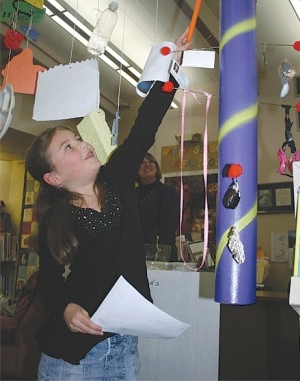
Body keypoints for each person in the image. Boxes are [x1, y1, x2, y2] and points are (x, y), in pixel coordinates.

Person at [25, 28, 192, 381]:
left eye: (78, 139)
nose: (82, 144)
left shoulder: (116, 176)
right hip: (70, 355)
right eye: (67, 147)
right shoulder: (58, 220)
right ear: (53, 178)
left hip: (122, 347)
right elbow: (49, 284)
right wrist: (66, 309)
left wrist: (170, 70)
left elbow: (145, 128)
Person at [136, 153, 180, 261]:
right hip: (137, 253)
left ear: (156, 167)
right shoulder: (132, 195)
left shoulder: (167, 192)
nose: (147, 165)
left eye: (150, 162)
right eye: (142, 163)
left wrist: (161, 254)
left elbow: (169, 227)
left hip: (162, 254)